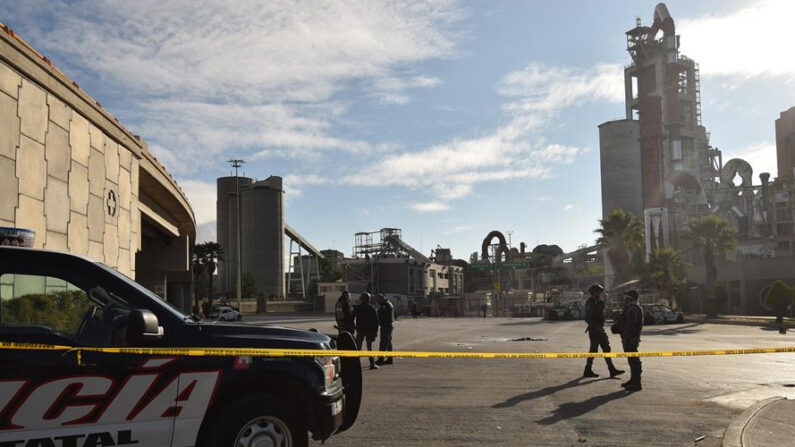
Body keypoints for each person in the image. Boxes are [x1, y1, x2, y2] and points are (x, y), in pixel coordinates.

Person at [583, 284, 624, 378]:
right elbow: (587, 317)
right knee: (596, 350)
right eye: (599, 292)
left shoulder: (600, 302)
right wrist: (594, 326)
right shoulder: (590, 302)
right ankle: (589, 370)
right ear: (594, 293)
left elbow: (602, 314)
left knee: (603, 348)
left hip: (600, 328)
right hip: (594, 330)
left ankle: (610, 369)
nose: (600, 294)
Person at [619, 289, 644, 391]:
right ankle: (633, 380)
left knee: (633, 360)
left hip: (631, 337)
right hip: (630, 336)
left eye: (627, 296)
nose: (625, 298)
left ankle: (636, 383)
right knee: (631, 359)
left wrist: (626, 332)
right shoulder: (633, 307)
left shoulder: (632, 308)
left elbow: (632, 323)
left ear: (631, 297)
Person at [353, 292, 380, 370]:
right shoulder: (371, 308)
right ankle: (372, 364)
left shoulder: (357, 308)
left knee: (358, 348)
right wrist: (375, 331)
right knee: (369, 348)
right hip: (369, 331)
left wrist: (355, 327)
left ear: (361, 299)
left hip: (360, 330)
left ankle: (356, 365)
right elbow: (376, 321)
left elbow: (351, 318)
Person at [375, 294, 394, 366]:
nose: (377, 302)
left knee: (383, 343)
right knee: (388, 343)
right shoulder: (388, 304)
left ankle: (381, 359)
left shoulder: (385, 305)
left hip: (386, 326)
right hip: (388, 325)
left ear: (381, 299)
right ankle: (389, 358)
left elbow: (383, 316)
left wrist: (379, 322)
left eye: (378, 300)